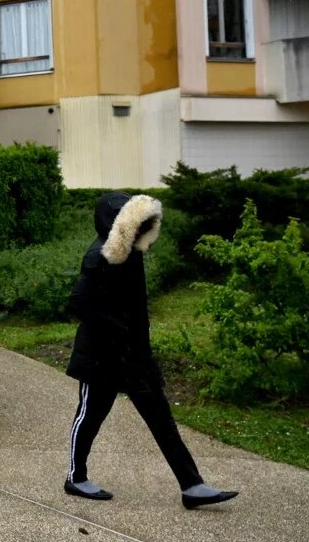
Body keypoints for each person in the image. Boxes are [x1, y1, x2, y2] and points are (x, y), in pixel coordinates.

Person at [64, 192, 238, 510]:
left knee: (161, 418)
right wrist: (116, 330)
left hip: (134, 357)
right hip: (101, 356)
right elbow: (78, 303)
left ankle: (192, 486)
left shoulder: (133, 254)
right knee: (90, 416)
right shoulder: (99, 256)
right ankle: (76, 477)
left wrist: (143, 351)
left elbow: (137, 311)